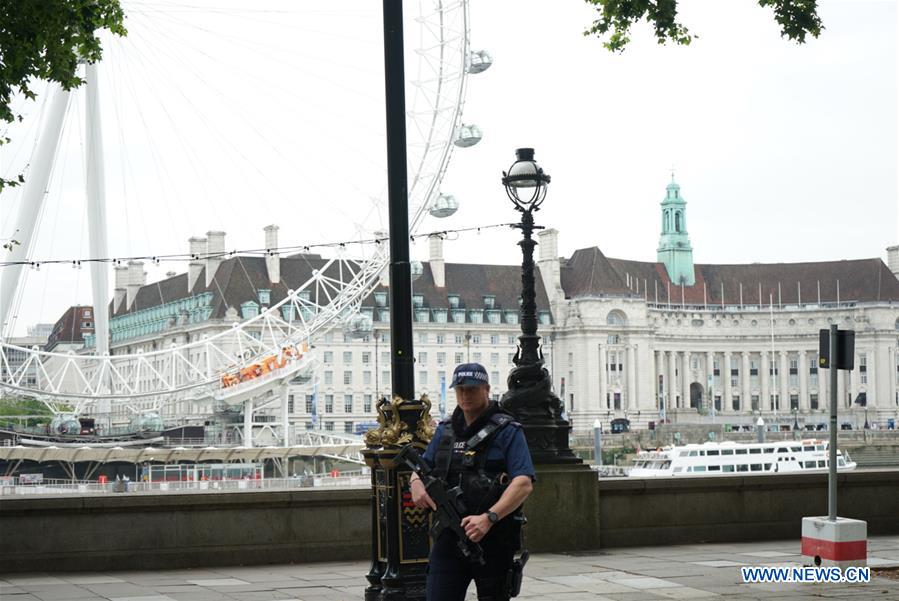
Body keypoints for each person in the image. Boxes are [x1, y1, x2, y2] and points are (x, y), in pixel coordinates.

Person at [410, 363, 535, 601]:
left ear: (486, 389)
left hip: (494, 539)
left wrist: (489, 518)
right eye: (460, 390)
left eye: (472, 389)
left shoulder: (507, 430)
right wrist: (415, 484)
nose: (465, 395)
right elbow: (420, 468)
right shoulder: (445, 430)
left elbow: (523, 483)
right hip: (448, 536)